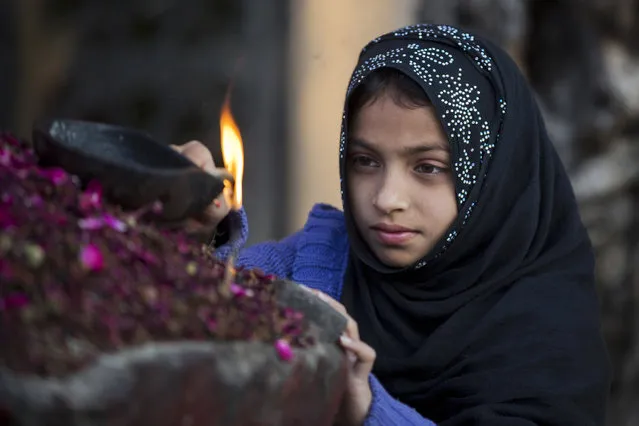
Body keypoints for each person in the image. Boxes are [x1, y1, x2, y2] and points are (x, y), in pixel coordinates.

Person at [172, 24, 611, 426]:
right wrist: (188, 231)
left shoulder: (548, 332)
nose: (386, 199)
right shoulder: (314, 268)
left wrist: (365, 409)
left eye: (427, 167)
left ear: (493, 177)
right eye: (365, 162)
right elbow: (184, 319)